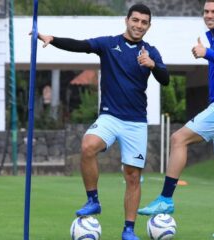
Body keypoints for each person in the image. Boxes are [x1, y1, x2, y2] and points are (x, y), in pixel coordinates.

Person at [36, 4, 169, 240]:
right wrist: (52, 39)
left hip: (136, 122)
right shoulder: (108, 44)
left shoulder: (151, 52)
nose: (138, 25)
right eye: (135, 20)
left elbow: (165, 80)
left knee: (132, 176)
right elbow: (80, 45)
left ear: (149, 26)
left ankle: (128, 230)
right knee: (88, 146)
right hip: (109, 116)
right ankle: (93, 200)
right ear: (126, 20)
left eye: (144, 22)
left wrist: (154, 65)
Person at [138, 0, 214, 238]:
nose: (209, 15)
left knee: (179, 138)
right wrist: (208, 50)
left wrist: (206, 53)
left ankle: (166, 199)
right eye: (206, 11)